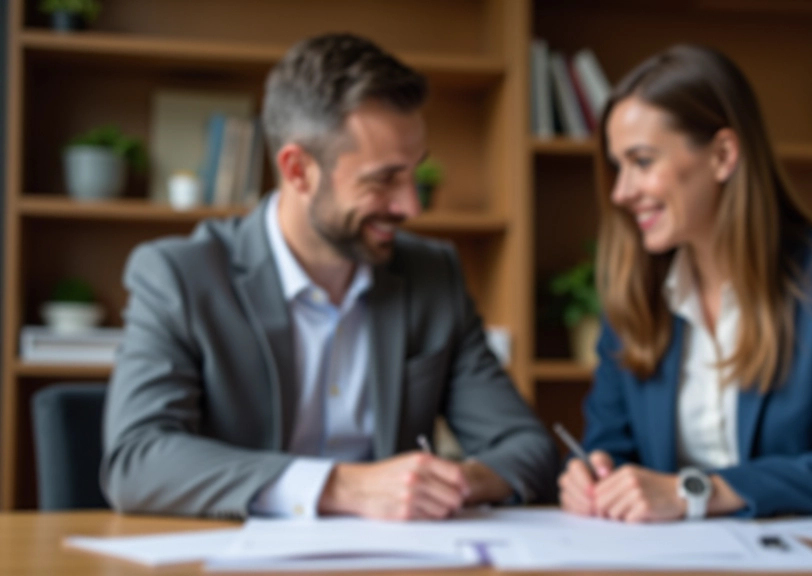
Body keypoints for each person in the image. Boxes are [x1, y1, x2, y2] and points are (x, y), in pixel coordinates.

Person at [101, 33, 560, 520]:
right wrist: (341, 487)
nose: (411, 206)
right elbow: (137, 459)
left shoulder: (433, 275)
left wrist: (450, 484)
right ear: (298, 170)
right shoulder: (180, 277)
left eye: (415, 175)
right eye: (383, 179)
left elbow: (525, 446)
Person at [558, 45, 812, 521]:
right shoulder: (635, 294)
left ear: (723, 155)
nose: (621, 192)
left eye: (641, 162)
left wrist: (695, 491)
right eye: (618, 167)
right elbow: (611, 448)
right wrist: (593, 478)